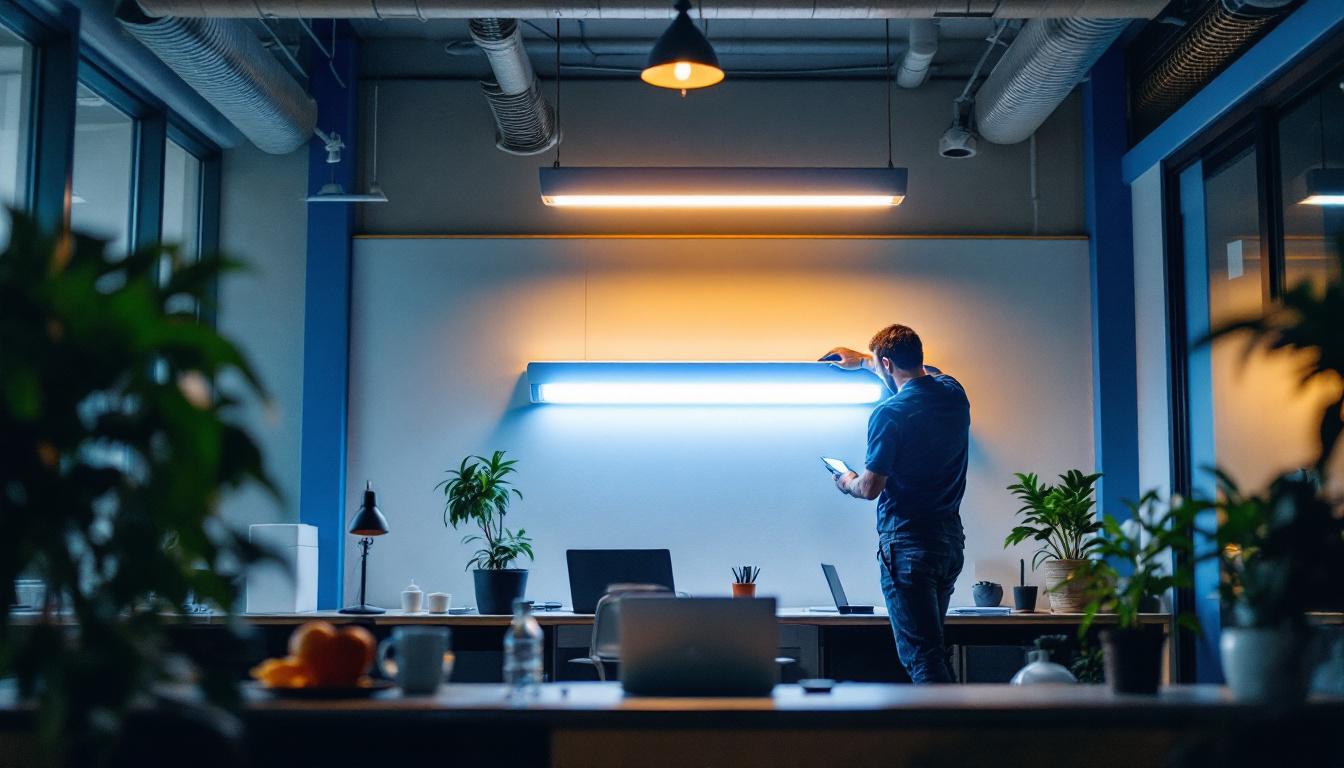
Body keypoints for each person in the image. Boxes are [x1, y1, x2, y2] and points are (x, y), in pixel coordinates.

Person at [824, 324, 970, 683]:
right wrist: (863, 362)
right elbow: (933, 374)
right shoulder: (954, 393)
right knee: (933, 651)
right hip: (949, 543)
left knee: (922, 657)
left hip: (907, 546)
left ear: (887, 363)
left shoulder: (889, 413)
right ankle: (955, 728)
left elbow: (870, 488)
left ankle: (950, 735)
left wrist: (846, 481)